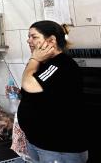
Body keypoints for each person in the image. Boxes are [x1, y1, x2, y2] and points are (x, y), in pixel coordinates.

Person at [17, 20, 88, 163]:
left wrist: (34, 58)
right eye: (28, 36)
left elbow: (28, 84)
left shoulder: (61, 64)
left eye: (34, 37)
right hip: (40, 144)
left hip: (58, 149)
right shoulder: (43, 64)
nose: (28, 40)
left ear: (51, 40)